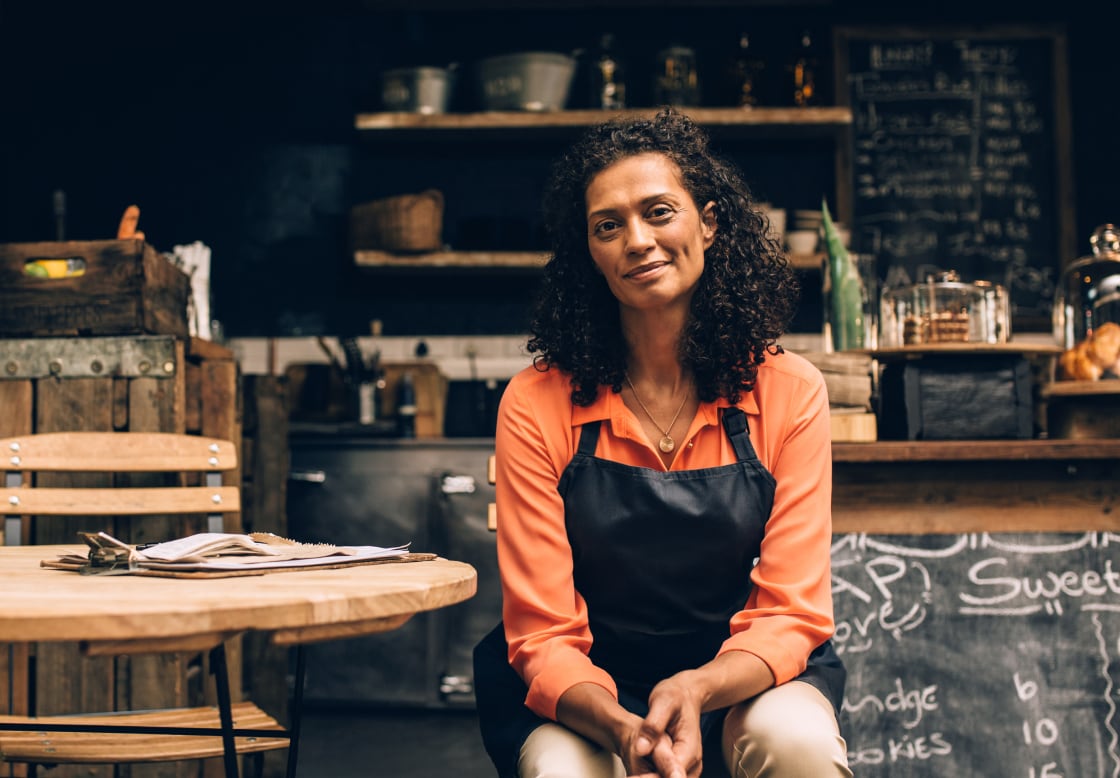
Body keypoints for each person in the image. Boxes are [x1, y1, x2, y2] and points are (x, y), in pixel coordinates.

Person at [474, 108, 851, 778]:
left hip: (746, 680)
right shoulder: (536, 403)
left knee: (796, 743)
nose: (637, 240)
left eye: (658, 212)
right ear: (588, 252)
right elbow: (543, 633)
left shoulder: (790, 391)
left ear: (707, 223)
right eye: (608, 226)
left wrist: (697, 687)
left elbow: (792, 611)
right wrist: (621, 724)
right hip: (589, 686)